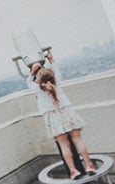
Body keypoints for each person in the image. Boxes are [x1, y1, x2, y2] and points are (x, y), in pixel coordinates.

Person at [25, 51, 98, 179]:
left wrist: (32, 72)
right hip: (67, 112)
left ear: (38, 81)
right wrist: (51, 60)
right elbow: (57, 72)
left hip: (53, 118)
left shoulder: (38, 88)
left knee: (64, 145)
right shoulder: (57, 82)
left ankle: (73, 171)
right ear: (52, 77)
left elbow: (29, 82)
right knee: (78, 140)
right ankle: (89, 165)